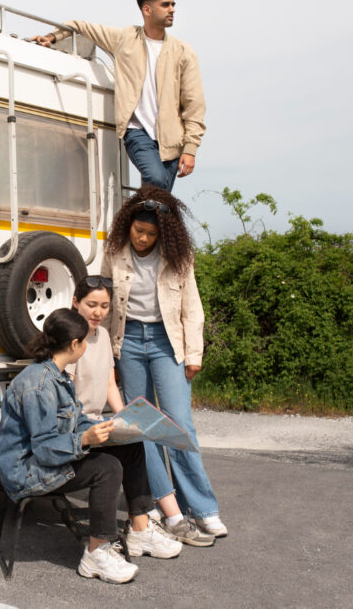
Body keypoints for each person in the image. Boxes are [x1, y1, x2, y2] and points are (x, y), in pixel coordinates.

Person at [0, 308, 180, 584]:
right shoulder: (39, 386)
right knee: (106, 468)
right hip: (26, 472)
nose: (86, 346)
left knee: (130, 446)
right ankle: (96, 551)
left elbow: (73, 421)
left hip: (46, 458)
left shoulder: (58, 376)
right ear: (74, 345)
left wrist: (110, 428)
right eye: (84, 341)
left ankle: (140, 529)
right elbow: (45, 449)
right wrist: (84, 439)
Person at [100, 186, 228, 538]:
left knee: (179, 425)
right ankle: (160, 505)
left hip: (165, 342)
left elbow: (193, 308)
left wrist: (193, 355)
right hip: (127, 343)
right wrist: (107, 356)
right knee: (142, 426)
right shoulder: (113, 252)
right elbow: (105, 305)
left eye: (151, 234)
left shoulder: (178, 258)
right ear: (128, 225)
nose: (142, 238)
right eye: (138, 231)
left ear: (163, 234)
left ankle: (202, 508)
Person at [69, 275, 215, 548]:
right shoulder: (71, 339)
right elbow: (63, 392)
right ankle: (171, 520)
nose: (98, 312)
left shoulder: (102, 336)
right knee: (137, 443)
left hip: (96, 418)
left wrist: (126, 414)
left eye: (104, 306)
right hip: (78, 424)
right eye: (91, 305)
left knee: (141, 433)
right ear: (75, 302)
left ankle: (148, 525)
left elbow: (110, 382)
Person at [31, 0, 205, 192]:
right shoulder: (124, 38)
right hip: (137, 131)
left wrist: (190, 149)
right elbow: (80, 25)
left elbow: (194, 104)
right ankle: (135, 221)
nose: (172, 10)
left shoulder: (184, 51)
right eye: (166, 5)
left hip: (172, 139)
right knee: (156, 180)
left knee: (161, 199)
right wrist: (53, 36)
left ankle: (134, 223)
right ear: (147, 9)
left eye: (173, 4)